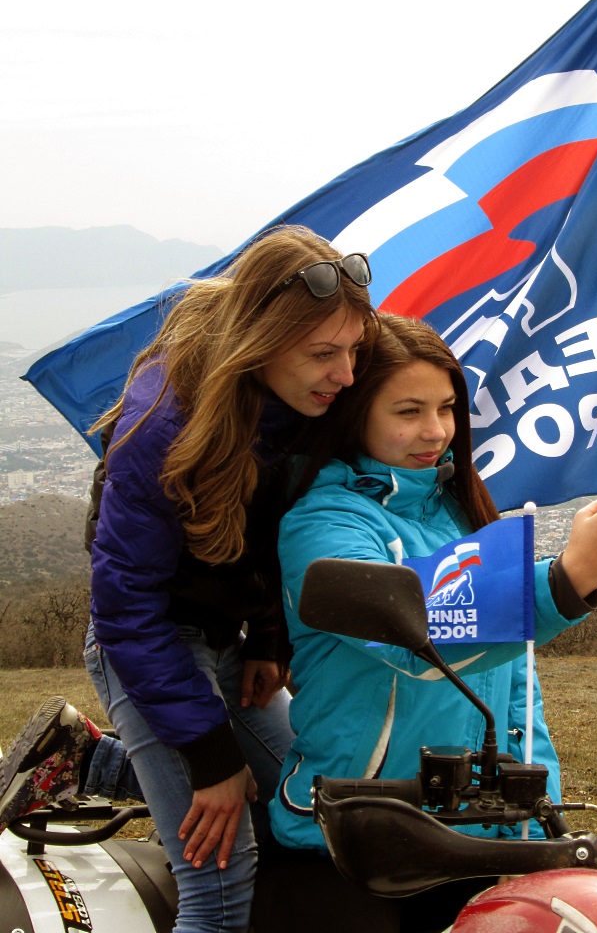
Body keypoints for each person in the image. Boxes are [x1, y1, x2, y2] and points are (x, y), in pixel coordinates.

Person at [0, 225, 377, 933]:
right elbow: (126, 608)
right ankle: (145, 767)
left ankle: (91, 764)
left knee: (315, 802)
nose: (347, 374)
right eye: (324, 355)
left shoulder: (300, 403)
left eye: (354, 350)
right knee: (221, 881)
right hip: (146, 642)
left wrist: (266, 637)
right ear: (262, 338)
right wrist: (208, 756)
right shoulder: (166, 422)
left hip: (228, 628)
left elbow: (272, 535)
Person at [253, 313, 597, 933]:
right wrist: (566, 580)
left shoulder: (460, 511)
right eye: (409, 410)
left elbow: (515, 684)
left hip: (469, 840)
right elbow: (416, 644)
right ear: (355, 412)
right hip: (351, 844)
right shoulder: (324, 523)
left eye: (447, 408)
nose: (436, 430)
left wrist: (535, 815)